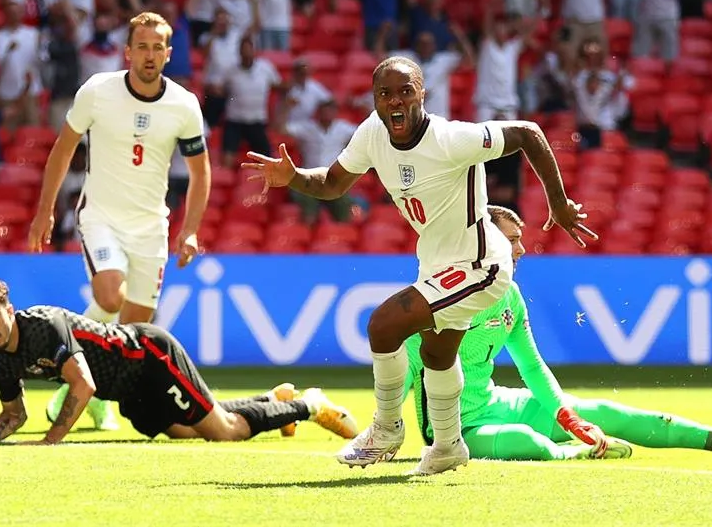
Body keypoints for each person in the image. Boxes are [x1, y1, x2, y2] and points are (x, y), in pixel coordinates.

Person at [242, 55, 597, 475]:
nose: (395, 100)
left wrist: (558, 202)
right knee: (437, 353)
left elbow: (528, 133)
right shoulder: (372, 133)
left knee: (383, 325)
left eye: (405, 91)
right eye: (385, 93)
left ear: (422, 94)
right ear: (375, 99)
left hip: (481, 264)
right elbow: (333, 183)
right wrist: (294, 176)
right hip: (437, 265)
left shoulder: (450, 139)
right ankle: (448, 446)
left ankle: (386, 428)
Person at [403, 206, 712, 461]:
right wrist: (384, 429)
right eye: (511, 239)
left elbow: (531, 366)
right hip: (457, 427)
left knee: (602, 412)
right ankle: (575, 453)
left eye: (520, 239)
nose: (521, 249)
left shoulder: (510, 297)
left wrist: (569, 418)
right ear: (484, 243)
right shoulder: (439, 297)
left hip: (499, 403)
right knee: (525, 440)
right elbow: (405, 367)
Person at [26, 12, 211, 431]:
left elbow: (200, 172)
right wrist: (44, 210)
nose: (149, 55)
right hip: (101, 217)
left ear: (168, 54)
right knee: (111, 297)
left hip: (151, 227)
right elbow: (63, 149)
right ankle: (71, 378)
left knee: (133, 334)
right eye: (141, 46)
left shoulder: (184, 105)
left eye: (157, 48)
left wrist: (191, 229)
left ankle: (88, 395)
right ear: (128, 52)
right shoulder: (98, 91)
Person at [0, 278, 359, 445]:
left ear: (10, 310)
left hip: (148, 356)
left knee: (224, 432)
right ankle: (272, 401)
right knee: (187, 430)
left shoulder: (44, 326)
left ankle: (308, 405)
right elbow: (14, 415)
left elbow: (83, 385)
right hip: (129, 391)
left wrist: (52, 440)